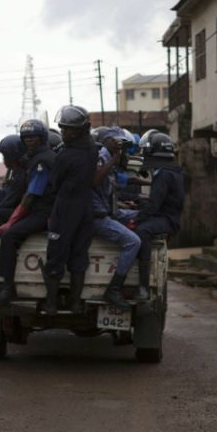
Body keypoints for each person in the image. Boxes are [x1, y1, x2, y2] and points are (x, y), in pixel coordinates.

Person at [0, 119, 57, 307]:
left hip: (43, 212)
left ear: (42, 137)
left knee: (9, 236)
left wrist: (11, 223)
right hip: (37, 210)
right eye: (26, 138)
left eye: (33, 137)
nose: (29, 141)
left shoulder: (43, 160)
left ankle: (7, 289)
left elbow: (31, 195)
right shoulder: (33, 158)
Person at [40, 105, 98, 315]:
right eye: (62, 128)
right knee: (79, 256)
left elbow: (55, 183)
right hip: (85, 208)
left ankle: (51, 304)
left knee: (55, 256)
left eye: (68, 130)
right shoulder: (92, 150)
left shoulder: (65, 156)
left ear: (80, 130)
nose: (63, 132)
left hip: (65, 208)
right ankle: (75, 304)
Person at [122, 131, 185, 301]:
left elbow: (154, 205)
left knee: (142, 231)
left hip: (167, 219)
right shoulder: (171, 170)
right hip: (167, 216)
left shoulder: (163, 174)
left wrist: (137, 219)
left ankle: (143, 286)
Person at [91, 126, 144, 309]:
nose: (119, 145)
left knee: (145, 215)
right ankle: (114, 289)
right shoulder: (100, 157)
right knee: (133, 242)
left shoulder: (111, 160)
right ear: (106, 140)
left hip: (109, 211)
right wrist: (114, 159)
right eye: (116, 141)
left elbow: (123, 181)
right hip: (95, 216)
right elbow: (95, 180)